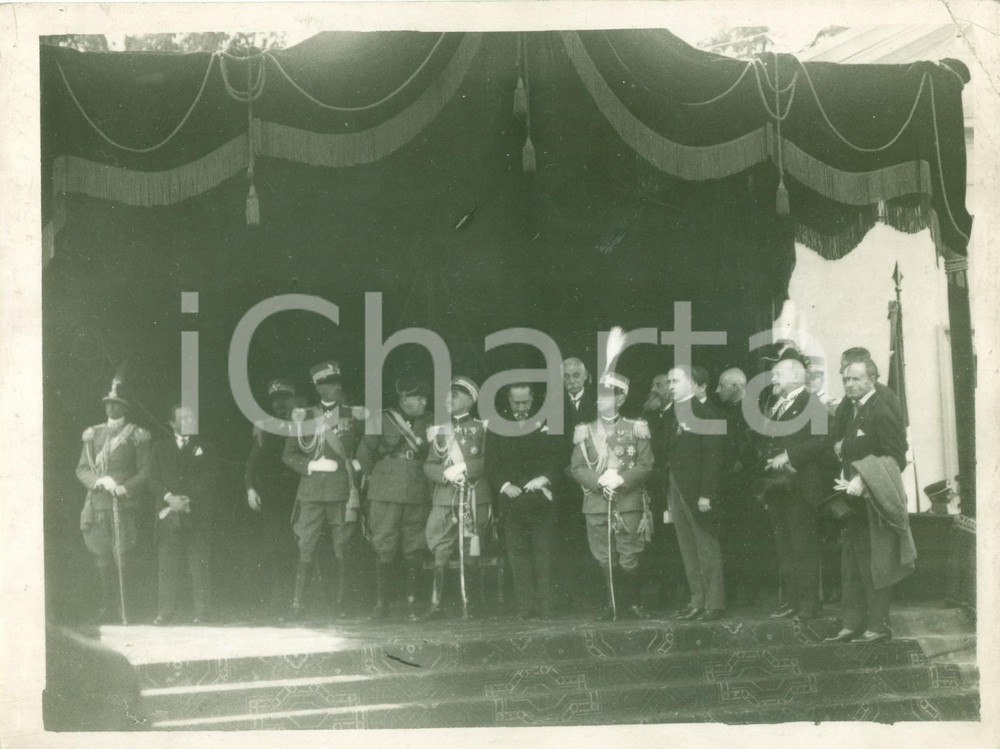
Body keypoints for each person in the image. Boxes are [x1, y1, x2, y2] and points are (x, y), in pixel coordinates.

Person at [823, 359, 914, 644]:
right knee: (851, 561)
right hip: (849, 499)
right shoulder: (848, 409)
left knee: (876, 561)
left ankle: (878, 626)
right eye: (846, 379)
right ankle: (852, 623)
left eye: (856, 379)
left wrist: (863, 477)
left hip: (873, 499)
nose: (849, 384)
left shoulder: (881, 410)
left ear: (872, 379)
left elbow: (897, 456)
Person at [283, 360, 367, 618]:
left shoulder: (354, 414)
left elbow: (368, 443)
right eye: (329, 384)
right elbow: (289, 454)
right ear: (318, 388)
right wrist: (312, 466)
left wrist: (358, 462)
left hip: (342, 489)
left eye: (337, 383)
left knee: (342, 544)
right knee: (305, 544)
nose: (336, 387)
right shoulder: (304, 416)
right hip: (312, 490)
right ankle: (298, 604)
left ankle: (342, 604)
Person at [571, 372, 653, 620]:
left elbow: (646, 464)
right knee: (604, 556)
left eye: (607, 396)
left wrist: (622, 479)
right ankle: (612, 604)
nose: (600, 401)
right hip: (597, 503)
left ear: (620, 399)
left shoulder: (635, 428)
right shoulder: (585, 431)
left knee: (629, 554)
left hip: (627, 502)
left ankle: (633, 604)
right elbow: (577, 467)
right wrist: (599, 481)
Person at [355, 375, 433, 620]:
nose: (422, 401)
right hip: (386, 491)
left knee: (415, 546)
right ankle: (381, 604)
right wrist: (379, 480)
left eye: (424, 396)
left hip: (418, 490)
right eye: (416, 397)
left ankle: (411, 603)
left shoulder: (431, 421)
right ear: (402, 398)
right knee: (384, 544)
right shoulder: (380, 419)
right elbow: (364, 455)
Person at [75, 377, 151, 623]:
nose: (111, 408)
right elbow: (83, 469)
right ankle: (108, 607)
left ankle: (125, 608)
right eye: (108, 403)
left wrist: (124, 487)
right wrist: (98, 481)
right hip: (98, 505)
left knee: (124, 558)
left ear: (125, 407)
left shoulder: (137, 435)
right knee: (102, 559)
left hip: (123, 504)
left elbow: (146, 470)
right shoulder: (93, 434)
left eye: (116, 404)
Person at [760, 358, 829, 621]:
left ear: (798, 377)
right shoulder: (778, 405)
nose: (773, 379)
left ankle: (809, 605)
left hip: (801, 487)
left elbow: (822, 442)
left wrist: (789, 455)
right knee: (785, 547)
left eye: (779, 374)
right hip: (778, 487)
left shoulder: (813, 405)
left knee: (803, 547)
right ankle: (793, 602)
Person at [487, 383, 563, 619]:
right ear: (508, 401)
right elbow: (491, 461)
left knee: (544, 553)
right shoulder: (497, 425)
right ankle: (525, 607)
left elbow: (560, 455)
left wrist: (545, 477)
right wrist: (505, 485)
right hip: (512, 501)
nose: (521, 407)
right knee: (518, 555)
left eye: (525, 402)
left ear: (533, 400)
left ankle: (547, 606)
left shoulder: (548, 421)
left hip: (541, 498)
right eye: (516, 402)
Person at [422, 377, 493, 619]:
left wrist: (464, 468)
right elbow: (429, 464)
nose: (447, 400)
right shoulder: (440, 431)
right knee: (440, 549)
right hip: (445, 497)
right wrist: (445, 474)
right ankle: (436, 605)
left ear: (470, 400)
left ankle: (471, 606)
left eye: (453, 396)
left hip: (473, 494)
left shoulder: (483, 428)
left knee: (470, 548)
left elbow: (489, 460)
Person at [662, 366, 725, 621]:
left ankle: (714, 603)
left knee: (705, 545)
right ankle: (697, 600)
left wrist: (706, 494)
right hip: (676, 487)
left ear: (692, 383)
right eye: (669, 381)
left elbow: (714, 458)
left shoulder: (706, 414)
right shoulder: (672, 414)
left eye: (676, 381)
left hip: (697, 491)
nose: (670, 386)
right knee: (687, 546)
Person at [146, 404, 216, 625]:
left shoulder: (204, 447)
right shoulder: (159, 447)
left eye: (190, 418)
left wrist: (188, 499)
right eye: (182, 418)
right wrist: (170, 498)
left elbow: (210, 476)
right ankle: (165, 613)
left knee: (199, 565)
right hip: (168, 513)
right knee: (168, 565)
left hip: (195, 513)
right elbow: (152, 479)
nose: (187, 421)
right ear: (172, 423)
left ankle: (202, 613)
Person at [715, 367, 772, 606]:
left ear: (737, 387)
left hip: (748, 488)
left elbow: (756, 452)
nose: (717, 391)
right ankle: (740, 590)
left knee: (749, 539)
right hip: (730, 488)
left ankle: (751, 592)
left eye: (721, 386)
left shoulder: (753, 412)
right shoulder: (727, 413)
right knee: (733, 539)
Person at [244, 378, 301, 619]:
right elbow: (252, 462)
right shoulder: (265, 427)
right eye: (276, 401)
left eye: (285, 399)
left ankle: (300, 601)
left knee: (300, 548)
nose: (281, 405)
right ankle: (279, 601)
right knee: (277, 549)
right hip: (273, 498)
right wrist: (250, 488)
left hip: (299, 494)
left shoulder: (305, 423)